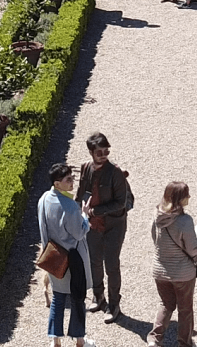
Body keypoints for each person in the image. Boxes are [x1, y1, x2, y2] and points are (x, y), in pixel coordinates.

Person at [77, 132, 135, 319]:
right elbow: (81, 193)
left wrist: (94, 211)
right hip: (93, 225)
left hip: (114, 224)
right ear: (91, 152)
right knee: (94, 261)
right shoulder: (86, 168)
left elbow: (120, 203)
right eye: (99, 152)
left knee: (111, 265)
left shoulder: (115, 172)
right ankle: (98, 296)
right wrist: (79, 210)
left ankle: (114, 304)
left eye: (106, 151)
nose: (103, 155)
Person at [37, 163, 93, 346]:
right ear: (57, 183)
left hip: (53, 257)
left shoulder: (43, 199)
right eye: (68, 179)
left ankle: (55, 340)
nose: (72, 182)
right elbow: (79, 233)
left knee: (58, 297)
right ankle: (79, 340)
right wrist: (85, 216)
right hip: (74, 258)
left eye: (72, 178)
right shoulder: (70, 206)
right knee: (78, 297)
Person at [150, 180, 197, 347]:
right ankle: (184, 343)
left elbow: (155, 239)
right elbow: (193, 248)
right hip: (182, 274)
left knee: (165, 304)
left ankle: (155, 339)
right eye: (186, 195)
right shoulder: (185, 221)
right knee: (185, 309)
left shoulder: (157, 216)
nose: (189, 197)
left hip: (160, 270)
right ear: (180, 199)